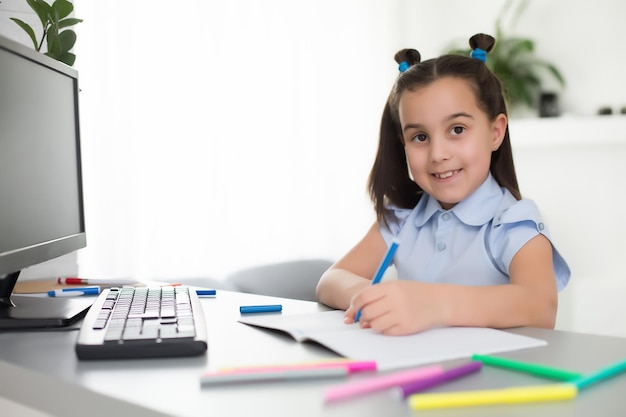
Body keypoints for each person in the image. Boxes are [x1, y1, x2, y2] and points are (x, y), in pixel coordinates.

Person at [316, 33, 570, 336]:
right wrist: (373, 296)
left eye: (457, 129)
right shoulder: (402, 218)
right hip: (414, 374)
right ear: (404, 144)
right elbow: (331, 280)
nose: (438, 154)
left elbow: (540, 306)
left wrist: (431, 304)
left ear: (495, 132)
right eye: (420, 137)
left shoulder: (513, 223)